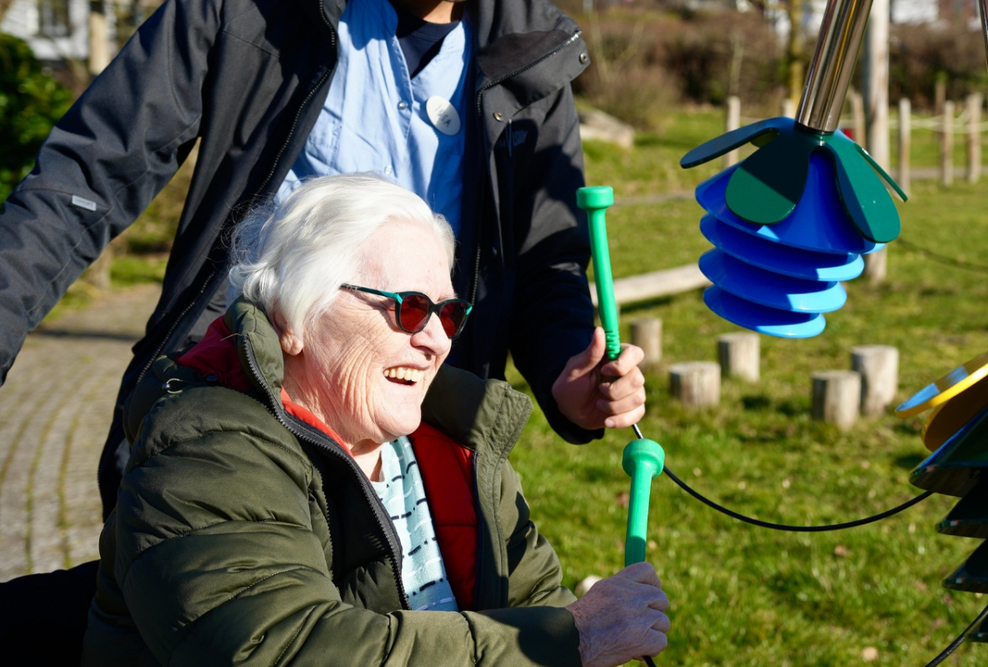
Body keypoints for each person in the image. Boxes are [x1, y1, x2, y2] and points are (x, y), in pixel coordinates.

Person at [0, 0, 643, 516]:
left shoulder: (532, 51)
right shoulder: (247, 12)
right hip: (233, 423)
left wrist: (564, 378)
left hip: (422, 447)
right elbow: (85, 178)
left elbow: (547, 266)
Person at [83, 174, 668, 665]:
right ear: (293, 316)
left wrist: (572, 632)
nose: (437, 340)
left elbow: (539, 599)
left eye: (448, 312)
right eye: (410, 308)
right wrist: (574, 638)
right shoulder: (203, 451)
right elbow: (280, 650)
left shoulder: (461, 445)